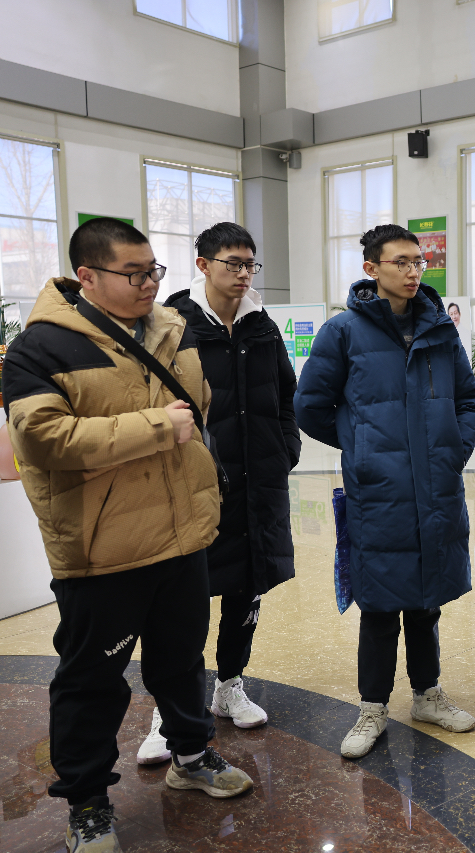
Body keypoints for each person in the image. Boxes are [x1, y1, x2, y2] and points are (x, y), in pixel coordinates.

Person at [1, 217, 253, 853]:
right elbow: (41, 440)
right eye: (133, 274)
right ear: (86, 276)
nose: (149, 284)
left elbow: (199, 408)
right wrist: (156, 428)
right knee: (92, 683)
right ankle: (87, 802)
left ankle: (191, 756)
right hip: (102, 549)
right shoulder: (41, 348)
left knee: (181, 660)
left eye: (153, 271)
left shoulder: (171, 329)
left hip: (181, 536)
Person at [295, 224, 475, 759]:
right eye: (401, 262)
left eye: (418, 262)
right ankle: (372, 707)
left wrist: (452, 450)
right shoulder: (342, 332)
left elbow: (467, 398)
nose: (413, 271)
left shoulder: (439, 328)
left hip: (436, 486)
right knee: (378, 605)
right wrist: (363, 446)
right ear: (371, 269)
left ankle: (427, 695)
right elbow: (309, 406)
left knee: (426, 601)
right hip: (378, 491)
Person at [130, 223, 300, 765]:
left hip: (259, 482)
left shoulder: (262, 325)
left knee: (246, 588)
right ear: (203, 264)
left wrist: (286, 448)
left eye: (250, 264)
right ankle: (170, 711)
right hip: (197, 487)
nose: (244, 274)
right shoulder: (172, 326)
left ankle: (230, 685)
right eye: (233, 263)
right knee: (181, 601)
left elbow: (286, 394)